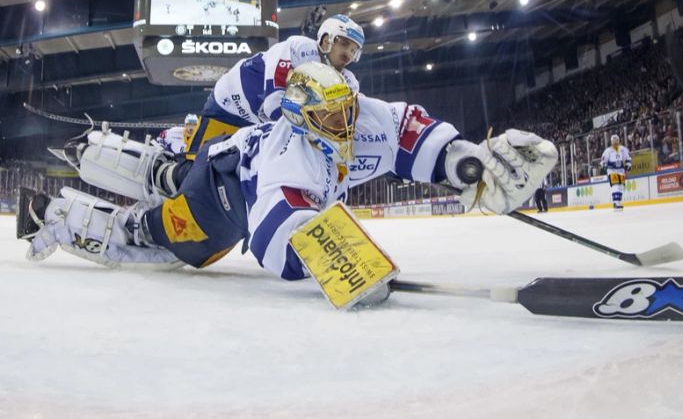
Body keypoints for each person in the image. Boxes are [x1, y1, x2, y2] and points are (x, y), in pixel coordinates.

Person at [18, 62, 558, 308]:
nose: (344, 128)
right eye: (328, 119)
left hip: (223, 157)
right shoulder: (288, 157)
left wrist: (466, 163)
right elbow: (281, 233)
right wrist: (342, 264)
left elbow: (407, 131)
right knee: (159, 233)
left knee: (176, 174)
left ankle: (146, 166)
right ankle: (60, 215)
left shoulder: (355, 113)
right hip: (226, 198)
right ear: (301, 119)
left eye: (346, 111)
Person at [182, 14, 365, 160]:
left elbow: (351, 122)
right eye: (344, 44)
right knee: (194, 164)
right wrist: (309, 137)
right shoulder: (297, 48)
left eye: (354, 49)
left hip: (257, 124)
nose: (348, 53)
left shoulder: (348, 82)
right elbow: (273, 104)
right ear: (327, 40)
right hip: (227, 107)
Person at [600, 134, 632, 211]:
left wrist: (628, 164)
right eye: (613, 140)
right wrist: (604, 165)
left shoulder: (623, 149)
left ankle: (617, 202)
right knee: (615, 185)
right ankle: (616, 203)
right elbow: (603, 161)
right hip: (612, 170)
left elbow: (627, 158)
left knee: (621, 186)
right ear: (611, 141)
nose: (615, 142)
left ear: (618, 140)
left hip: (621, 170)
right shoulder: (608, 151)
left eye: (616, 140)